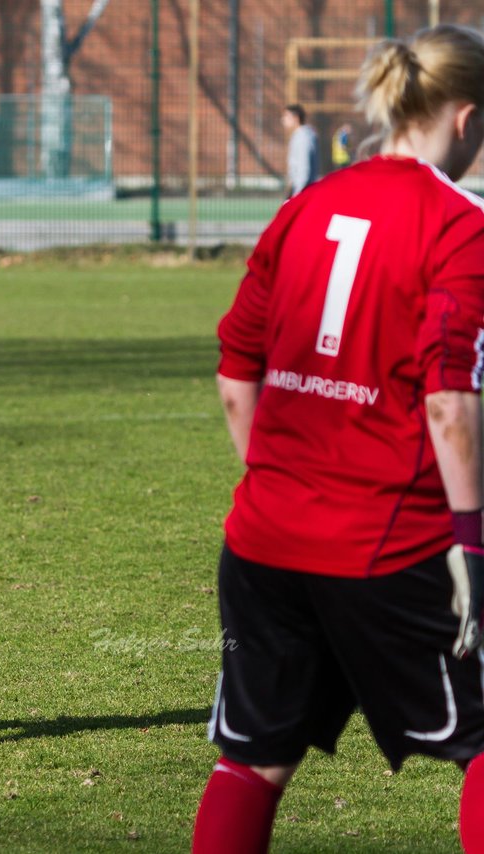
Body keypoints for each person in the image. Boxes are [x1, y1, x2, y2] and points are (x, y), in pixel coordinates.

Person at [195, 25, 484, 854]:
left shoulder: (304, 208)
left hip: (265, 541)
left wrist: (283, 483)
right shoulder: (459, 225)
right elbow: (450, 402)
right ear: (464, 119)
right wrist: (472, 541)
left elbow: (234, 371)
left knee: (252, 762)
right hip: (391, 545)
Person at [281, 103, 319, 197]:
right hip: (300, 189)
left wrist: (297, 194)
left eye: (286, 116)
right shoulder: (298, 135)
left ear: (296, 118)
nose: (283, 119)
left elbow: (304, 168)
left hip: (303, 191)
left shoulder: (303, 137)